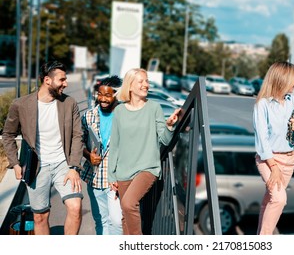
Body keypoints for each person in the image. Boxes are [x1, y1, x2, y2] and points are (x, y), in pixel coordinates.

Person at [2, 60, 83, 235]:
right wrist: (15, 163)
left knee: (75, 207)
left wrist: (74, 167)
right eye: (61, 79)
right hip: (37, 167)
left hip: (64, 164)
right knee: (40, 217)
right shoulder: (21, 104)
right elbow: (8, 134)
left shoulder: (69, 103)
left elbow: (78, 135)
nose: (65, 83)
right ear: (47, 80)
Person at [108, 68, 180, 235]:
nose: (146, 85)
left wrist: (169, 125)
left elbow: (165, 139)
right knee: (125, 217)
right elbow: (116, 145)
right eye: (141, 81)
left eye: (146, 81)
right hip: (123, 171)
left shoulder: (154, 108)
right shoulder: (119, 111)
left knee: (128, 204)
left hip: (147, 168)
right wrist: (111, 175)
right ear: (130, 86)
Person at [253, 61, 294, 235]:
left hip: (290, 159)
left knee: (269, 200)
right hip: (269, 160)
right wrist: (273, 167)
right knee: (279, 199)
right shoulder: (263, 104)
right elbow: (262, 139)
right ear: (282, 79)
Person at [81, 75, 123, 235]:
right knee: (101, 220)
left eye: (107, 95)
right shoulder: (88, 116)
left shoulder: (124, 115)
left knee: (117, 222)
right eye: (100, 94)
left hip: (116, 179)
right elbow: (79, 143)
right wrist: (87, 155)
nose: (103, 99)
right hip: (94, 177)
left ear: (116, 95)